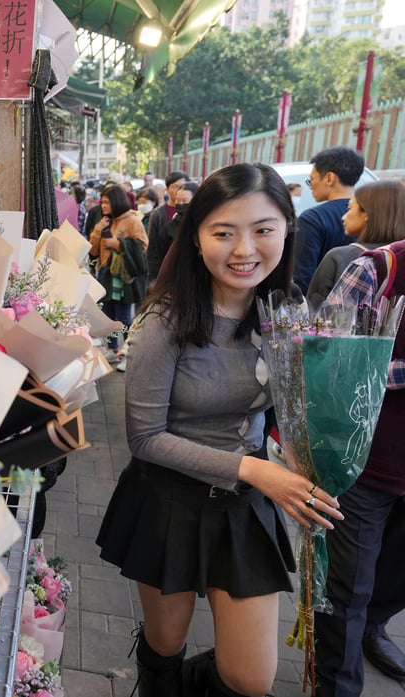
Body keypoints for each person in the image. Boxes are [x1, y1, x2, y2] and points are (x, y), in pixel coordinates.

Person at [96, 163, 343, 697]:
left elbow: (288, 409)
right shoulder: (165, 319)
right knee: (165, 647)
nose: (244, 249)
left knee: (250, 677)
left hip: (244, 506)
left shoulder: (289, 315)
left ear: (286, 231)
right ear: (197, 236)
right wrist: (257, 468)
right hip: (167, 503)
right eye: (224, 232)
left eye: (263, 229)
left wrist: (315, 449)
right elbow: (144, 438)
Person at [313, 217, 405, 696]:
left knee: (388, 582)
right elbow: (329, 357)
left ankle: (374, 628)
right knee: (346, 592)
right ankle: (337, 685)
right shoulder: (377, 269)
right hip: (365, 466)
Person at [306, 180, 405, 308]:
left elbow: (316, 316)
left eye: (349, 208)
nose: (343, 217)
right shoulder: (398, 258)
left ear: (366, 214)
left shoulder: (340, 257)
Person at [294, 146, 366, 290]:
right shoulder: (374, 215)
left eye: (311, 180)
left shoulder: (311, 219)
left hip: (322, 307)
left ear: (329, 178)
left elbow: (302, 277)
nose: (311, 186)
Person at [89, 185, 148, 358]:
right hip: (105, 273)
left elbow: (142, 246)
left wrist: (118, 243)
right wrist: (98, 230)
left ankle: (130, 349)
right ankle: (113, 348)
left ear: (117, 201)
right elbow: (92, 251)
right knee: (107, 313)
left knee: (123, 315)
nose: (103, 206)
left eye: (107, 202)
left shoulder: (132, 220)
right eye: (102, 202)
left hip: (122, 277)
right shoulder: (106, 220)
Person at [147, 181, 198, 284]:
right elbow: (157, 256)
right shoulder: (169, 228)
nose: (181, 204)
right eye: (178, 201)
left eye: (185, 201)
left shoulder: (203, 225)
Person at [146, 170, 189, 250]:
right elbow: (152, 245)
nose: (179, 190)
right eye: (175, 187)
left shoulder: (193, 211)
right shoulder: (157, 214)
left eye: (183, 187)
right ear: (167, 190)